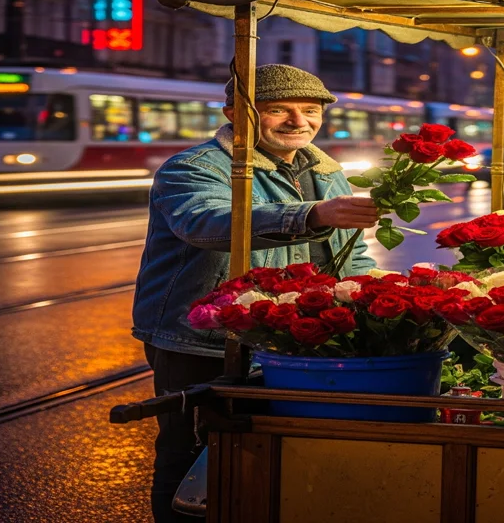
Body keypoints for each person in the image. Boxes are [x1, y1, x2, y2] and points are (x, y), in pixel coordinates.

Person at [132, 64, 380, 522]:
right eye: (277, 110)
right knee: (188, 458)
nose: (298, 121)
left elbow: (350, 254)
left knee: (266, 448)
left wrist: (375, 302)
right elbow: (205, 224)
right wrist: (313, 214)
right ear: (235, 112)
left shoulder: (325, 169)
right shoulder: (193, 167)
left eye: (310, 110)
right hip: (200, 340)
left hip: (287, 338)